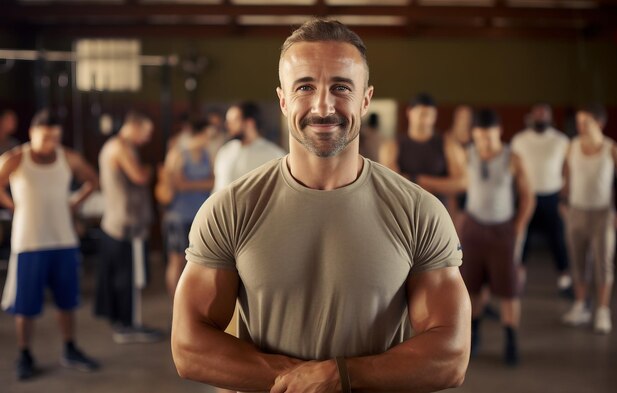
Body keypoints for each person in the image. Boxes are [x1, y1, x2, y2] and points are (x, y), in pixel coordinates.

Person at [172, 18, 470, 392]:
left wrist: (340, 376)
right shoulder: (231, 208)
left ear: (365, 99)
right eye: (305, 87)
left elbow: (451, 355)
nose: (323, 106)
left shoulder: (420, 213)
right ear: (283, 100)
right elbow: (189, 347)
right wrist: (300, 380)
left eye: (341, 87)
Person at [0, 109, 100, 380]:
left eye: (55, 138)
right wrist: (13, 206)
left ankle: (69, 348)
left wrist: (74, 204)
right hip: (29, 242)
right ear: (32, 134)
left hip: (63, 240)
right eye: (45, 138)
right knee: (26, 304)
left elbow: (93, 180)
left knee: (67, 301)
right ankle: (24, 354)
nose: (50, 144)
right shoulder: (16, 158)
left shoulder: (67, 157)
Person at [459, 109, 535, 366]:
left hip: (503, 230)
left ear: (499, 132)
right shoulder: (467, 154)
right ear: (474, 136)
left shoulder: (512, 158)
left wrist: (518, 227)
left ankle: (511, 339)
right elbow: (457, 185)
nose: (485, 143)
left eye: (489, 138)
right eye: (479, 138)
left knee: (509, 290)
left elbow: (528, 197)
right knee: (472, 289)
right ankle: (475, 333)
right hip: (473, 229)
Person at [95, 111, 163, 344]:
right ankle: (128, 326)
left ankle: (125, 323)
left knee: (125, 277)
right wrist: (153, 171)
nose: (148, 137)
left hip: (121, 223)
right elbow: (140, 177)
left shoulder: (119, 147)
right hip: (124, 225)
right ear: (133, 127)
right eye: (146, 132)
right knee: (128, 279)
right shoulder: (119, 148)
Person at [561, 104, 617, 334]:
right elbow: (567, 176)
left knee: (603, 263)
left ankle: (602, 310)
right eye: (578, 122)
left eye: (586, 122)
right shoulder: (572, 146)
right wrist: (564, 202)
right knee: (578, 261)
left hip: (602, 214)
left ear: (599, 123)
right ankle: (580, 305)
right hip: (577, 211)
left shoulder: (613, 150)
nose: (580, 126)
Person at [511, 104, 572, 294]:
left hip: (552, 196)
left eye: (544, 115)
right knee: (522, 239)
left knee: (557, 240)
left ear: (551, 118)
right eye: (537, 115)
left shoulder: (561, 140)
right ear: (530, 117)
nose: (540, 118)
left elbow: (568, 169)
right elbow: (514, 171)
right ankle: (517, 281)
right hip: (526, 196)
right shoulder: (519, 140)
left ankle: (564, 281)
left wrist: (564, 196)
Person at [379, 93, 467, 211]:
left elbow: (462, 183)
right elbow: (389, 183)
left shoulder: (448, 144)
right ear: (409, 112)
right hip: (404, 211)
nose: (425, 120)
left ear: (435, 116)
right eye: (421, 114)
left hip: (438, 212)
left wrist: (418, 180)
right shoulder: (392, 146)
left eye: (430, 115)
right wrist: (436, 185)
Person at [162, 117, 214, 298]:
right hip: (178, 216)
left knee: (199, 263)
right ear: (198, 135)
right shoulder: (178, 153)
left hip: (199, 216)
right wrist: (204, 184)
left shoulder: (207, 154)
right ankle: (175, 306)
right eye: (207, 136)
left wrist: (193, 183)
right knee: (176, 261)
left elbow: (214, 181)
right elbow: (177, 184)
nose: (209, 140)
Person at [212, 101, 286, 193]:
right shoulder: (225, 151)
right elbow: (217, 189)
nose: (228, 125)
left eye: (233, 121)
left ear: (249, 123)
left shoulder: (274, 155)